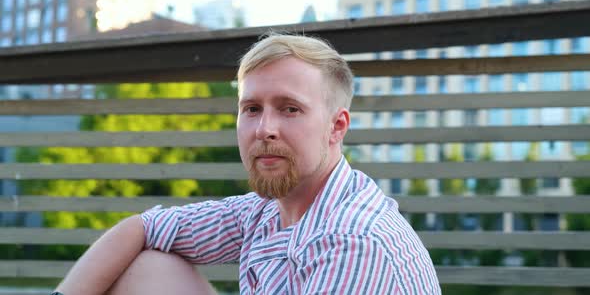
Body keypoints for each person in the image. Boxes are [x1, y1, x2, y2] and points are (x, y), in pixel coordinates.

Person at [53, 33, 441, 294]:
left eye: (290, 109)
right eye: (251, 109)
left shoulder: (353, 241)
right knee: (149, 266)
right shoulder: (267, 210)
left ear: (335, 127)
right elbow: (144, 227)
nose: (264, 129)